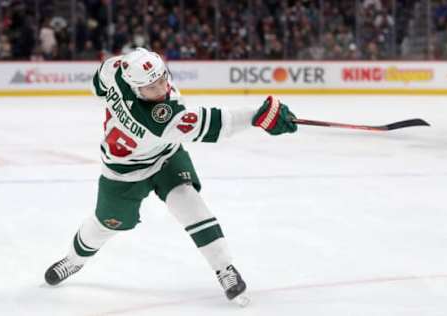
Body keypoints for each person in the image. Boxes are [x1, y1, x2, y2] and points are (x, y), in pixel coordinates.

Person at [44, 47, 297, 305]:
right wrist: (259, 116)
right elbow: (221, 123)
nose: (162, 88)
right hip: (123, 172)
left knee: (188, 202)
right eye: (152, 88)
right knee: (104, 224)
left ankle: (224, 268)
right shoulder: (159, 119)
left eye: (163, 78)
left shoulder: (119, 69)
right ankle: (74, 261)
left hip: (166, 157)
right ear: (135, 89)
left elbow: (99, 82)